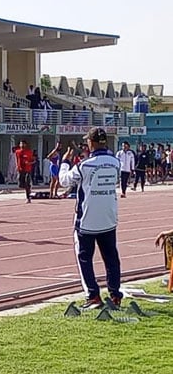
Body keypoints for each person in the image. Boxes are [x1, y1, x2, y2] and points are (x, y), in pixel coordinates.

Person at [59, 127, 123, 309]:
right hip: (109, 217)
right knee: (111, 258)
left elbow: (64, 181)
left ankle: (93, 295)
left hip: (87, 220)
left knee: (84, 258)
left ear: (91, 142)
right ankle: (115, 294)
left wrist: (65, 163)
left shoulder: (84, 165)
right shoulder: (116, 162)